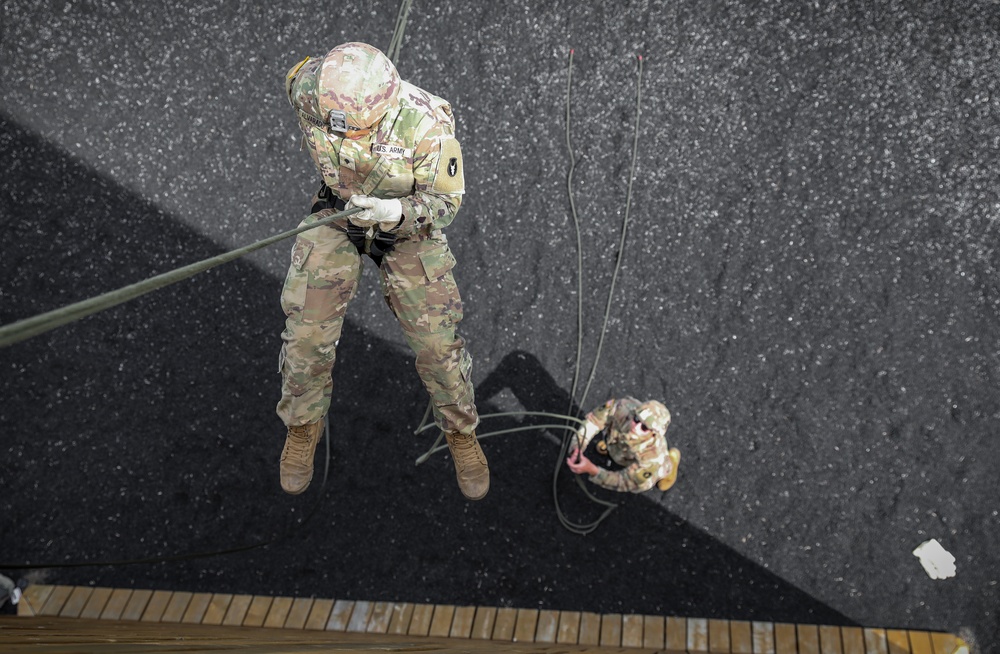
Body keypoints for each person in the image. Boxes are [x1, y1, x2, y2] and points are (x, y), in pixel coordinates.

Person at [276, 42, 488, 501]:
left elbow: (446, 202)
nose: (348, 136)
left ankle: (461, 431)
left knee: (438, 346)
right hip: (338, 212)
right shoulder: (308, 89)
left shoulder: (428, 123)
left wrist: (394, 211)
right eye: (340, 126)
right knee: (306, 337)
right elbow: (295, 79)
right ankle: (302, 423)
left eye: (359, 127)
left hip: (407, 222)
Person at [566, 397, 679, 493]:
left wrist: (593, 470)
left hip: (644, 462)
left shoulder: (653, 456)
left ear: (653, 433)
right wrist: (577, 446)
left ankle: (671, 465)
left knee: (646, 481)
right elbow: (594, 421)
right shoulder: (622, 407)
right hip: (619, 446)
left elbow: (625, 482)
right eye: (636, 419)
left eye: (644, 427)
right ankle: (615, 451)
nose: (636, 427)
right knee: (614, 438)